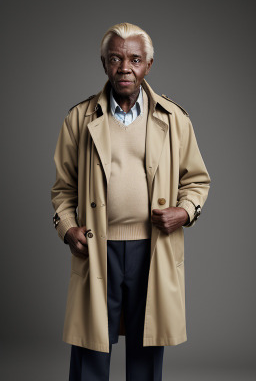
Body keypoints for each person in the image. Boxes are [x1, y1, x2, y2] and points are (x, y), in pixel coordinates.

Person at [51, 22, 211, 381]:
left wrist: (185, 212)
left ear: (148, 66)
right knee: (90, 348)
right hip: (96, 248)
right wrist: (66, 228)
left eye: (135, 59)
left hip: (153, 248)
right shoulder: (78, 119)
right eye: (116, 58)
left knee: (147, 350)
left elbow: (197, 181)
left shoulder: (174, 119)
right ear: (104, 64)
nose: (125, 67)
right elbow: (62, 190)